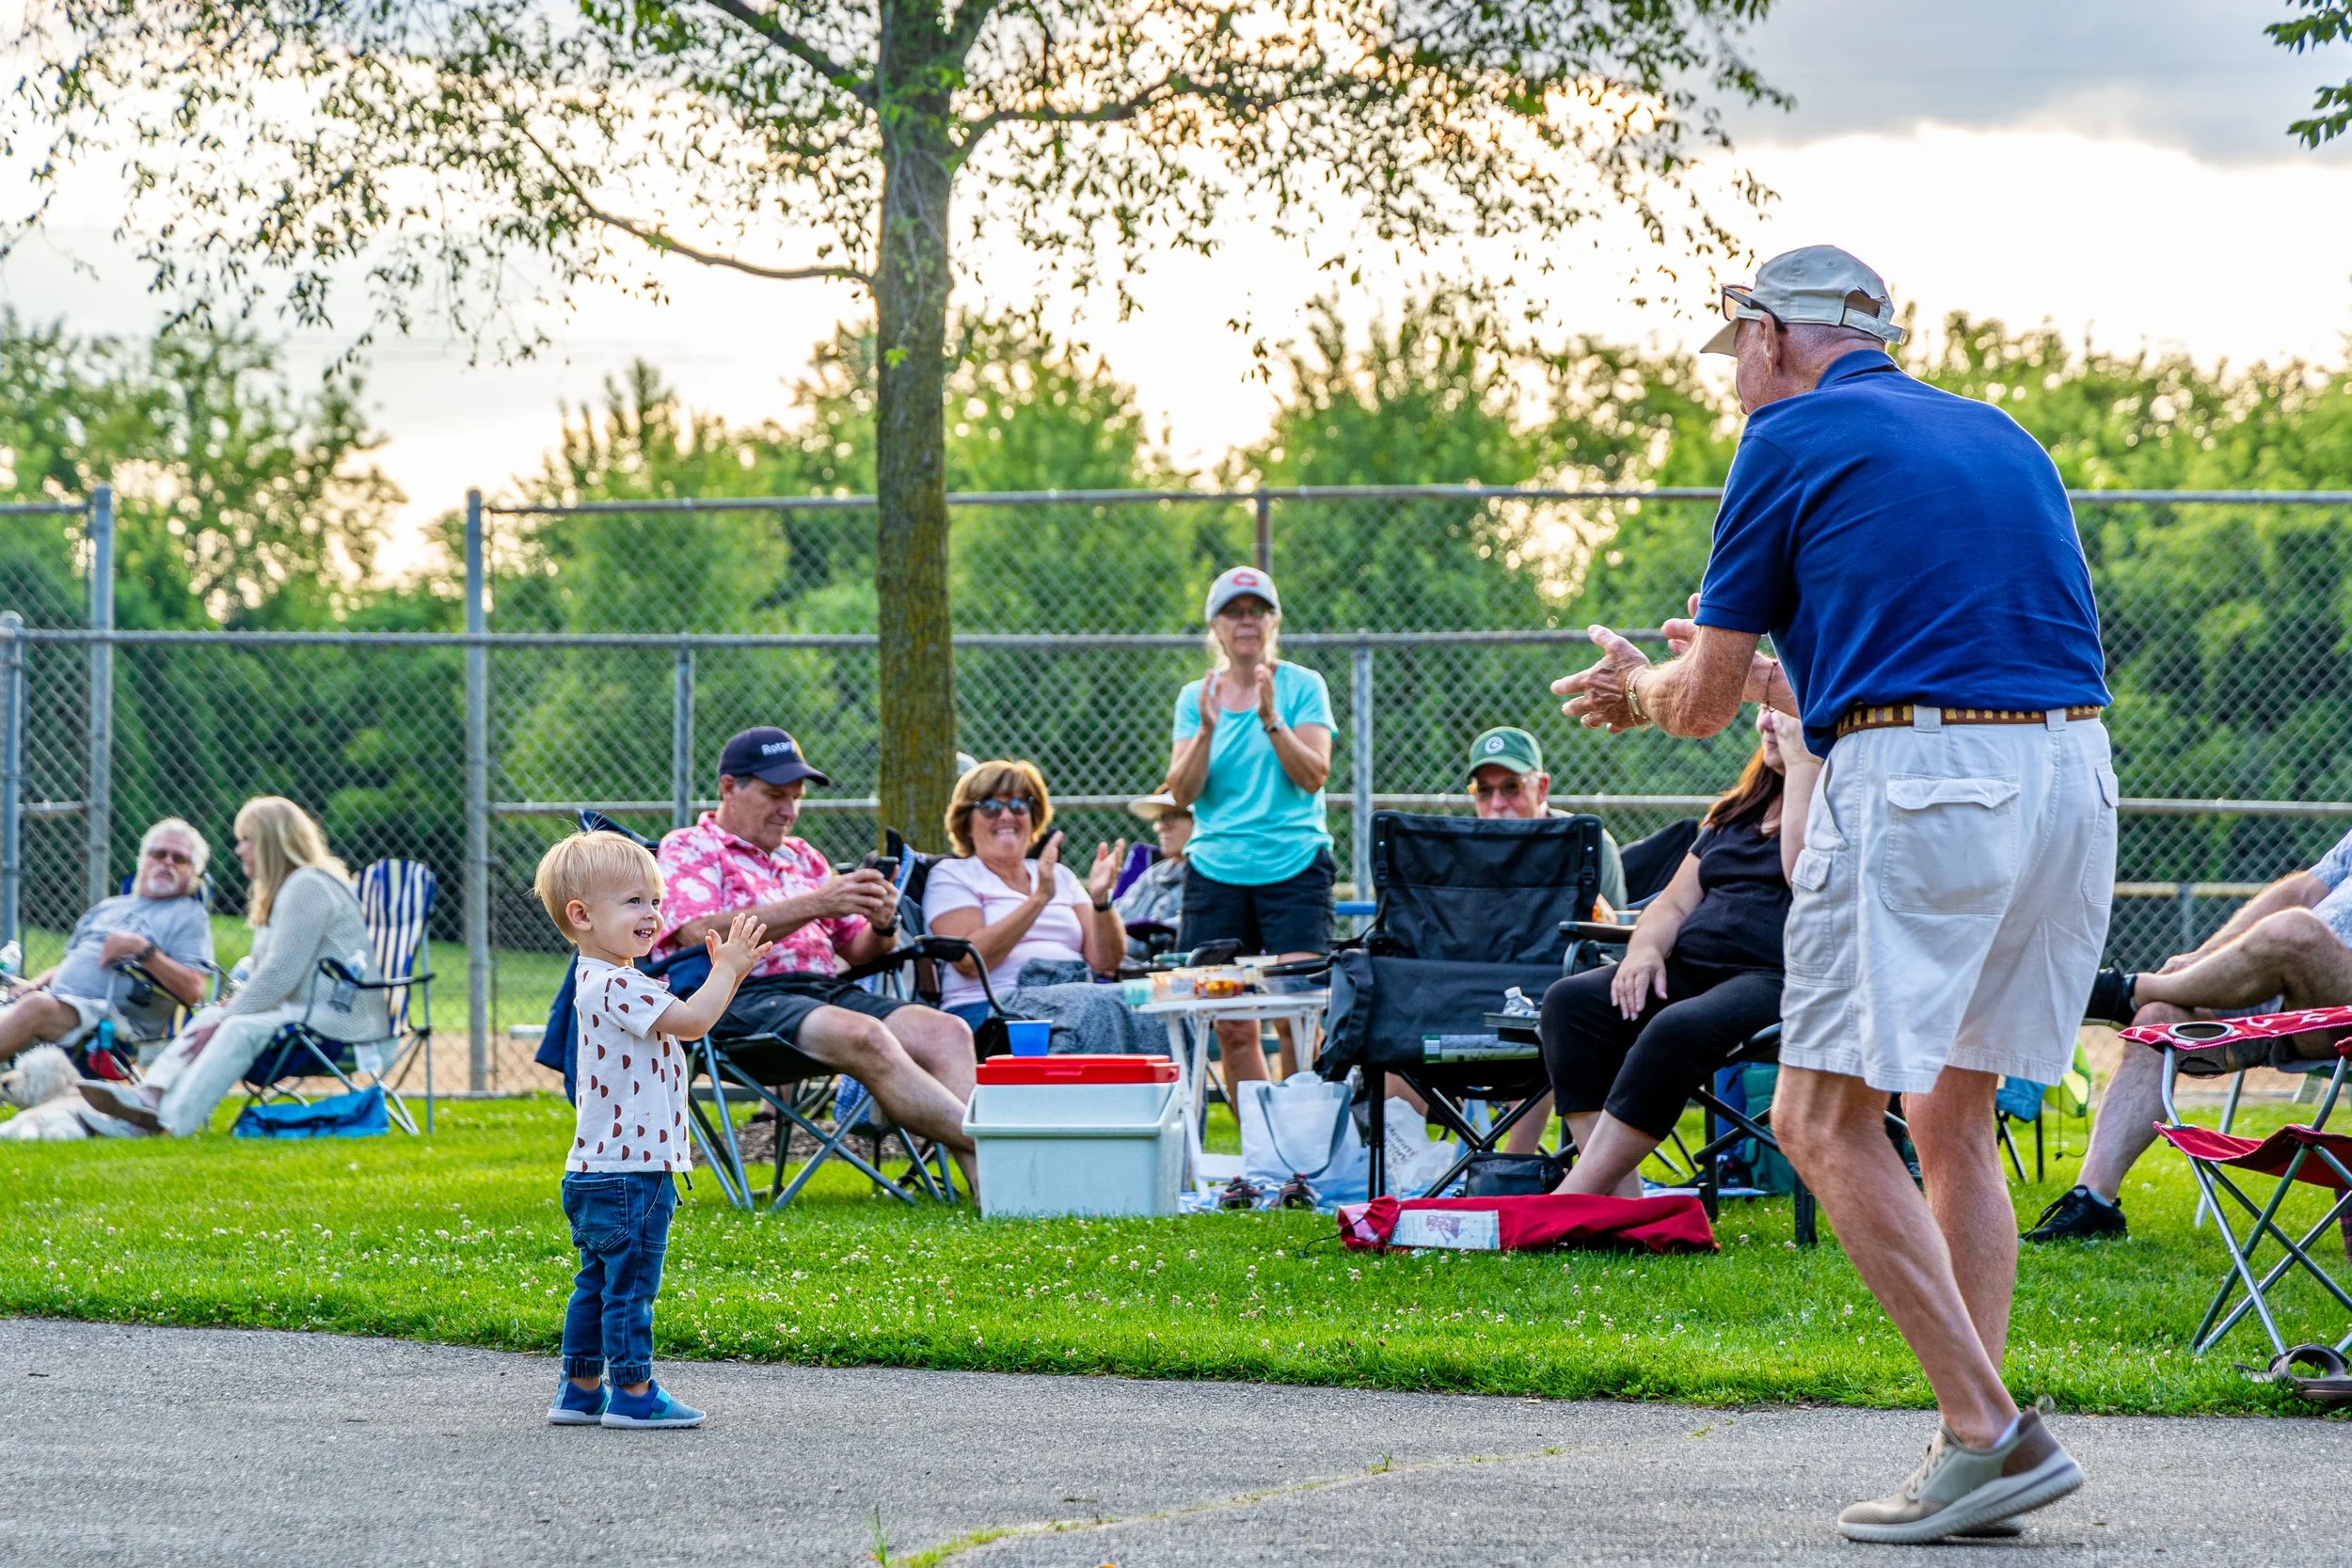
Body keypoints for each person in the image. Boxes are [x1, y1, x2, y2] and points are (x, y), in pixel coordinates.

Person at [1555, 245, 2111, 1542]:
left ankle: (1991, 1431)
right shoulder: (2000, 434)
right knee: (1952, 1108)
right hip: (2074, 773)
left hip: (1922, 766)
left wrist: (1638, 688)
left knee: (1815, 1114)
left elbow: (1699, 704)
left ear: (1769, 335)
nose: (1733, 381)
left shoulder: (1786, 436)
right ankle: (1967, 1439)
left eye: (1733, 351)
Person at [651, 726, 981, 1193]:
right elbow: (696, 932)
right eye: (774, 795)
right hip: (737, 999)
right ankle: (998, 1144)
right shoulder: (689, 847)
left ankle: (992, 1189)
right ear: (729, 787)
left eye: (797, 797)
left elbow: (858, 952)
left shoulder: (805, 858)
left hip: (824, 992)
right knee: (865, 1035)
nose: (789, 811)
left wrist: (882, 923)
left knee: (946, 1031)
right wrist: (817, 904)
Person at [534, 831, 770, 1430]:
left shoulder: (601, 982)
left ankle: (581, 1388)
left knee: (595, 1283)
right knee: (630, 1288)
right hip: (632, 1173)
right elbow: (692, 1022)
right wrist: (730, 972)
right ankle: (634, 1393)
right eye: (634, 901)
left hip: (594, 1169)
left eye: (655, 900)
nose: (653, 914)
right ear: (581, 916)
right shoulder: (617, 983)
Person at [2026, 833, 2352, 1243]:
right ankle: (2094, 1201)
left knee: (2295, 931)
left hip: (2341, 1011)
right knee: (2158, 1019)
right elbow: (2304, 888)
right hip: (2281, 999)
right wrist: (2200, 959)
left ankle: (2127, 991)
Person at [1540, 709, 1804, 1197]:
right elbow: (1674, 902)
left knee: (1678, 1025)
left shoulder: (1836, 807)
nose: (1768, 725)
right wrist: (1643, 951)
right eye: (1765, 714)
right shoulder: (1735, 812)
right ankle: (1621, 1201)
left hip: (1777, 977)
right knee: (1570, 1004)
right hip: (1690, 968)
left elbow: (1802, 876)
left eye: (1783, 715)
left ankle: (1577, 1195)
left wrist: (1805, 770)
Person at [81, 798, 386, 1137]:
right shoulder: (286, 891)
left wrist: (228, 1017)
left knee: (236, 1028)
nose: (239, 850)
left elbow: (279, 977)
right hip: (304, 1014)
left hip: (344, 1026)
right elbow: (265, 975)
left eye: (246, 839)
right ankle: (148, 1099)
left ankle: (167, 1127)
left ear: (271, 842)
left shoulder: (308, 886)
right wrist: (225, 1012)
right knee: (215, 1017)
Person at [1168, 566, 1335, 1085]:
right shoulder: (1196, 698)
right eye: (1234, 612)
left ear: (1273, 622)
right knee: (1233, 1026)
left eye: (1257, 611)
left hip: (1296, 867)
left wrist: (1270, 718)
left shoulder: (1303, 686)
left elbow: (1313, 775)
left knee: (1298, 1017)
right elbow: (1182, 792)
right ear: (1215, 627)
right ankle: (1258, 1159)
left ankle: (1303, 1155)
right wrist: (1208, 731)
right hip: (1216, 871)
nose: (1246, 621)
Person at [923, 759, 1152, 1054]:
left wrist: (1100, 900)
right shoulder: (953, 874)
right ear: (966, 821)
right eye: (991, 806)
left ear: (1033, 817)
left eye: (1019, 805)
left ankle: (1160, 1100)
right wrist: (1038, 899)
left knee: (1150, 1008)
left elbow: (1104, 961)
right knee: (1091, 1005)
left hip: (1075, 993)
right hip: (991, 1009)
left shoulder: (1060, 875)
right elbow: (969, 961)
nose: (1006, 815)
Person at [0, 819, 214, 1065]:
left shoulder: (189, 916)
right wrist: (37, 983)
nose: (167, 862)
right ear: (143, 860)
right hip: (58, 1003)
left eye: (179, 858)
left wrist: (142, 950)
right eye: (159, 853)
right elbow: (72, 963)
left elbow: (194, 990)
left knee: (36, 1007)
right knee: (31, 1003)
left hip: (114, 1021)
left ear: (193, 873)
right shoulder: (108, 907)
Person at [1465, 726, 1628, 914]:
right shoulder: (1462, 850)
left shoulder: (1589, 846)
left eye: (1511, 787)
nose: (1497, 803)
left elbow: (1613, 934)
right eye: (1484, 790)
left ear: (1542, 788)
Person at [1115, 790, 1192, 951]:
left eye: (1170, 818)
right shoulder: (1154, 873)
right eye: (1160, 819)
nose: (1159, 828)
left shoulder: (1208, 878)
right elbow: (1117, 917)